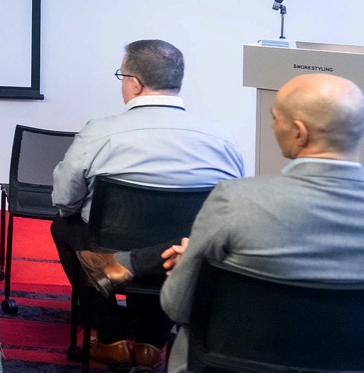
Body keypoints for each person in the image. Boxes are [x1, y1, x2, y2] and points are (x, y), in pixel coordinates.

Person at [51, 39, 244, 369]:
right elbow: (230, 209)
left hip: (106, 244)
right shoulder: (223, 140)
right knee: (178, 237)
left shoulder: (98, 133)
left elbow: (64, 201)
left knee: (64, 226)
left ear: (135, 84)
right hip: (179, 253)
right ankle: (151, 342)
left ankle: (111, 338)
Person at [156, 73, 364, 372]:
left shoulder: (235, 200)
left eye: (276, 119)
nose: (272, 126)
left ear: (300, 133)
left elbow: (177, 306)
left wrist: (194, 266)